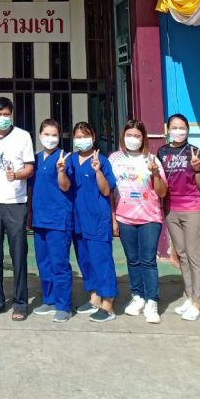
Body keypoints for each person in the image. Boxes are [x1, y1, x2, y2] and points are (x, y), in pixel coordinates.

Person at [0, 96, 35, 321]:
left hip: (16, 203)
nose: (2, 118)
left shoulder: (23, 136)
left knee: (18, 254)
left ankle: (20, 303)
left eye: (6, 114)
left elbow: (29, 168)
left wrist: (17, 175)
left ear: (11, 115)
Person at [109, 118, 167, 325]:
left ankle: (152, 300)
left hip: (149, 217)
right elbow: (109, 192)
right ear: (123, 136)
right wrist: (113, 219)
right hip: (124, 217)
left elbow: (162, 192)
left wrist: (155, 174)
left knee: (148, 260)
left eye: (137, 135)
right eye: (129, 135)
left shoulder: (151, 160)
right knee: (132, 260)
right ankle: (137, 296)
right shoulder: (114, 159)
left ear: (143, 138)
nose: (133, 139)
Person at [157, 113, 200, 322]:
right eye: (174, 127)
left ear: (187, 130)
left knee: (195, 256)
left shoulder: (196, 152)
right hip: (171, 209)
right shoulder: (162, 152)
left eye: (182, 128)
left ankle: (198, 303)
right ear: (168, 129)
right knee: (182, 255)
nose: (178, 131)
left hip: (192, 208)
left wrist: (197, 169)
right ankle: (189, 295)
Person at [70, 121, 118, 323]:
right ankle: (94, 298)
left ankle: (108, 304)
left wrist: (97, 171)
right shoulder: (70, 160)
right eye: (78, 137)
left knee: (102, 261)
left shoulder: (102, 161)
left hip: (97, 220)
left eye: (86, 136)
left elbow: (107, 191)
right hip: (78, 220)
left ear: (94, 137)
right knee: (85, 261)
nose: (82, 140)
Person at [29, 119, 74, 323]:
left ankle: (64, 305)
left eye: (54, 135)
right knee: (44, 263)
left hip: (58, 219)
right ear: (39, 136)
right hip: (40, 219)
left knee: (59, 264)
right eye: (46, 134)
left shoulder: (65, 158)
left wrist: (61, 171)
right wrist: (29, 213)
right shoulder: (36, 159)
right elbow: (31, 188)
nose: (50, 138)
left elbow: (65, 187)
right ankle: (50, 299)